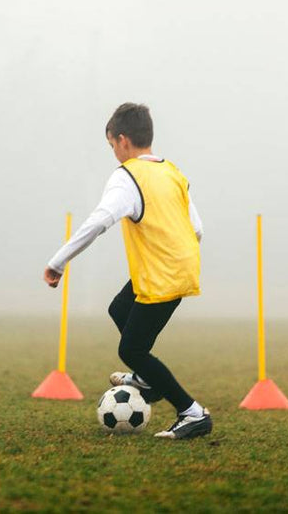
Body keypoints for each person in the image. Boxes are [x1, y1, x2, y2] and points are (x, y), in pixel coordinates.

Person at [43, 103, 211, 440]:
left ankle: (192, 413)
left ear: (121, 140)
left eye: (111, 147)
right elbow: (197, 228)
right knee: (119, 308)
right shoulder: (172, 172)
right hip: (179, 269)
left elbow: (99, 222)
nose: (114, 154)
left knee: (132, 350)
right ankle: (147, 379)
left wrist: (57, 262)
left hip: (161, 275)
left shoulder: (127, 176)